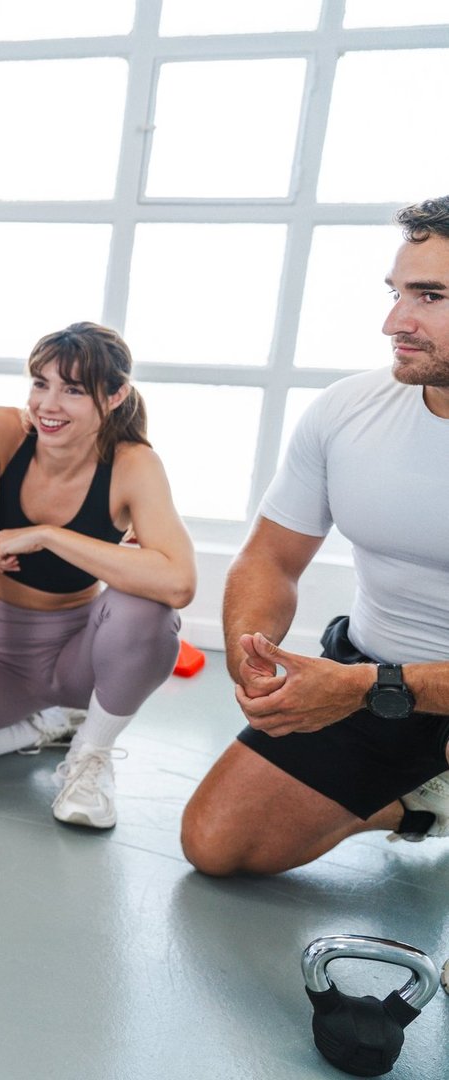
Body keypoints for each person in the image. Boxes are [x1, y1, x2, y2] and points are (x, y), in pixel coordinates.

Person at [181, 197, 449, 875]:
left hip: (379, 686)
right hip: (370, 675)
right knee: (216, 843)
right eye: (396, 293)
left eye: (429, 296)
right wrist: (254, 655)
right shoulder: (346, 410)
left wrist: (369, 688)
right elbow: (271, 556)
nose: (395, 321)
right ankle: (423, 803)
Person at [0, 324, 195, 828]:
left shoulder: (134, 464)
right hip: (1, 655)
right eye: (40, 383)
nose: (49, 404)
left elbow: (179, 582)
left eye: (72, 390)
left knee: (148, 608)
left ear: (115, 396)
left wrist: (47, 535)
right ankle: (34, 730)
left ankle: (91, 753)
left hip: (81, 658)